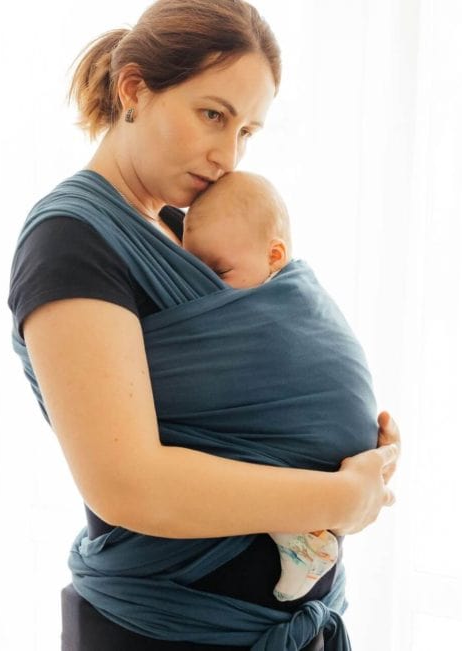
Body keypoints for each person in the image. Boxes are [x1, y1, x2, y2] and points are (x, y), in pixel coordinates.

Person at [7, 1, 402, 649]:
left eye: (247, 131)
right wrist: (339, 498)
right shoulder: (71, 244)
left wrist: (348, 441)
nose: (227, 155)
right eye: (213, 115)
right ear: (134, 89)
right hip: (165, 630)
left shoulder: (188, 231)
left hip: (291, 623)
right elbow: (128, 486)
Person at [183, 170, 344, 603]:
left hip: (316, 440)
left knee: (245, 449)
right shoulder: (254, 279)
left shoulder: (282, 303)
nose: (209, 288)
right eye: (196, 272)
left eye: (220, 271)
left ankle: (304, 542)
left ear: (275, 256)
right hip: (333, 450)